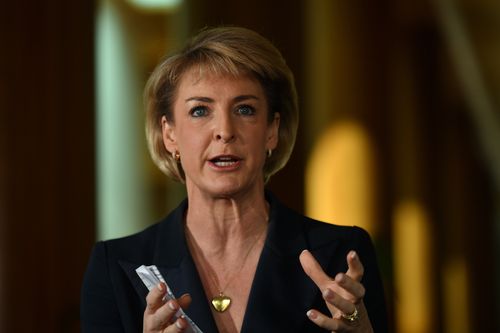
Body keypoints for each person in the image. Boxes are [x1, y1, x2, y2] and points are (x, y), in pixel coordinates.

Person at [81, 26, 388, 333]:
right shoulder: (116, 267)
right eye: (200, 111)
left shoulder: (339, 256)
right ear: (169, 134)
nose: (225, 130)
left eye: (245, 109)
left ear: (271, 130)